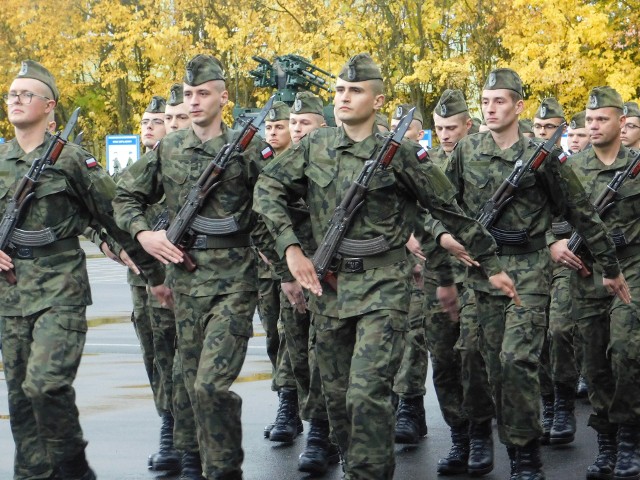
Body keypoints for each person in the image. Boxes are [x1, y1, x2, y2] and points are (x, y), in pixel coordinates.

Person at [254, 52, 519, 480]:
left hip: (385, 286)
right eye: (340, 89)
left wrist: (489, 263)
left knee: (366, 393)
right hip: (331, 286)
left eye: (355, 90)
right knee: (338, 400)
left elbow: (447, 209)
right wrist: (290, 249)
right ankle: (357, 465)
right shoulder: (315, 147)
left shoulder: (401, 153)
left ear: (377, 102)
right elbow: (267, 189)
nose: (343, 97)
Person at [445, 68, 629, 479]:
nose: (491, 108)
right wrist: (442, 236)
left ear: (518, 106)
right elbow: (439, 202)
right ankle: (484, 436)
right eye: (486, 100)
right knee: (483, 361)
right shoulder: (466, 151)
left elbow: (581, 211)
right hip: (481, 271)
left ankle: (525, 455)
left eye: (500, 101)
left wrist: (610, 268)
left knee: (516, 361)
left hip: (528, 269)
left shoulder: (541, 157)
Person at [0, 59, 163, 480]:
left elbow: (114, 216)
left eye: (25, 94)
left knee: (45, 385)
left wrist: (154, 276)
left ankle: (73, 467)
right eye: (11, 94)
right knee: (20, 400)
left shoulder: (72, 160)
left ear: (49, 105)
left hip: (60, 290)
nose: (15, 100)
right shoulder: (0, 159)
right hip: (10, 294)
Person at [113, 54, 274, 480]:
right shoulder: (169, 148)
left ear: (223, 97)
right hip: (184, 278)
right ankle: (192, 458)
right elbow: (125, 198)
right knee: (188, 379)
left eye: (203, 93)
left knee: (209, 384)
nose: (196, 101)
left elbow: (280, 201)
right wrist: (145, 236)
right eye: (189, 94)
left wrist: (288, 267)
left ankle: (223, 468)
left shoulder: (249, 147)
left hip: (236, 281)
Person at [563, 87, 640, 480]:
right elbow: (546, 216)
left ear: (621, 123)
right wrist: (554, 244)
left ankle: (629, 437)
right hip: (585, 273)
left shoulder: (638, 165)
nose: (593, 126)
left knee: (626, 350)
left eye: (601, 119)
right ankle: (606, 442)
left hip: (631, 269)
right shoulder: (571, 167)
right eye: (589, 120)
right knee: (594, 362)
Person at [428, 90, 495, 475]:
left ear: (468, 124)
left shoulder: (484, 157)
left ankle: (482, 431)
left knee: (472, 352)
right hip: (436, 273)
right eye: (439, 128)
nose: (445, 135)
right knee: (442, 360)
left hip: (475, 272)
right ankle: (460, 437)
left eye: (452, 127)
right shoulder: (426, 162)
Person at [259, 99, 302, 445]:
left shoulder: (302, 165)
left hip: (298, 263)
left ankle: (291, 406)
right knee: (275, 338)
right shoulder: (258, 164)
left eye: (280, 126)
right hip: (265, 267)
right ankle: (287, 398)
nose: (274, 132)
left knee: (293, 336)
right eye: (269, 127)